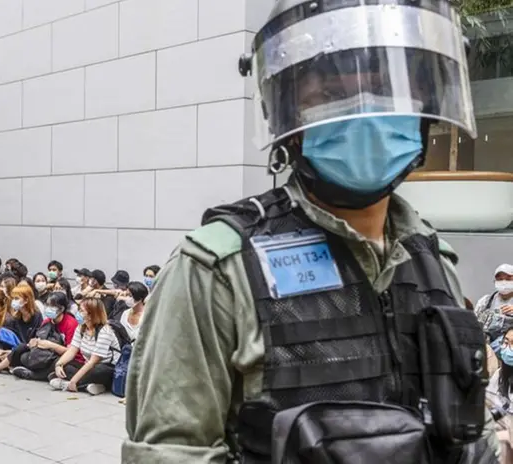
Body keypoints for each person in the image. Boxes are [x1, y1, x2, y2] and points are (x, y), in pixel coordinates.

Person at [124, 1, 498, 461]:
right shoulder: (218, 269)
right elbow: (172, 453)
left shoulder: (433, 260)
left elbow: (467, 434)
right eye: (331, 93)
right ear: (287, 116)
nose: (365, 114)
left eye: (385, 89)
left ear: (425, 110)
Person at [476, 264, 513, 341]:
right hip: (487, 346)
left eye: (508, 279)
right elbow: (474, 324)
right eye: (500, 279)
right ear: (495, 282)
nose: (504, 282)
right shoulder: (485, 302)